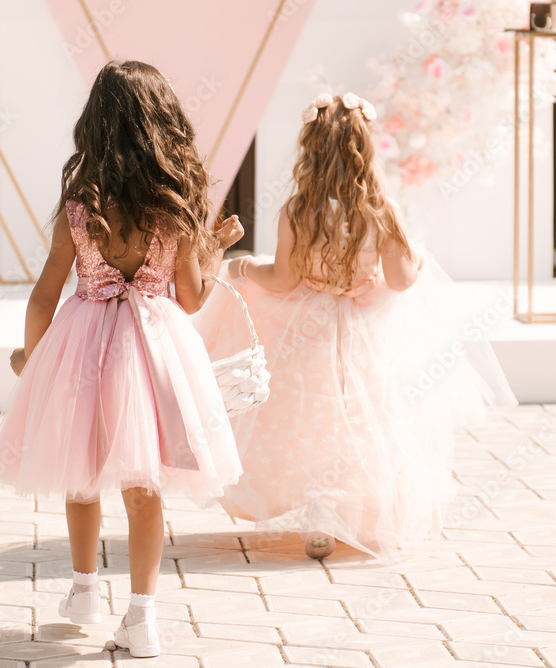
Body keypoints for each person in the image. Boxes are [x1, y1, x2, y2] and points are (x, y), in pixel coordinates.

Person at [0, 60, 244, 658]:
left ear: (95, 125)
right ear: (163, 124)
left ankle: (83, 589)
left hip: (83, 342)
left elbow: (46, 292)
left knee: (81, 465)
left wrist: (32, 358)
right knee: (144, 482)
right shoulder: (174, 207)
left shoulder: (80, 205)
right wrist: (217, 249)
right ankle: (143, 616)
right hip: (155, 346)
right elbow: (193, 299)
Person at [194, 92, 516, 561]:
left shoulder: (298, 210)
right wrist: (413, 261)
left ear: (311, 147)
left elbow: (284, 279)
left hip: (307, 329)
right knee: (368, 418)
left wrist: (244, 270)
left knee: (309, 419)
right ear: (366, 148)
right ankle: (339, 512)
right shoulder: (381, 210)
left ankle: (317, 513)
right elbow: (403, 280)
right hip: (367, 328)